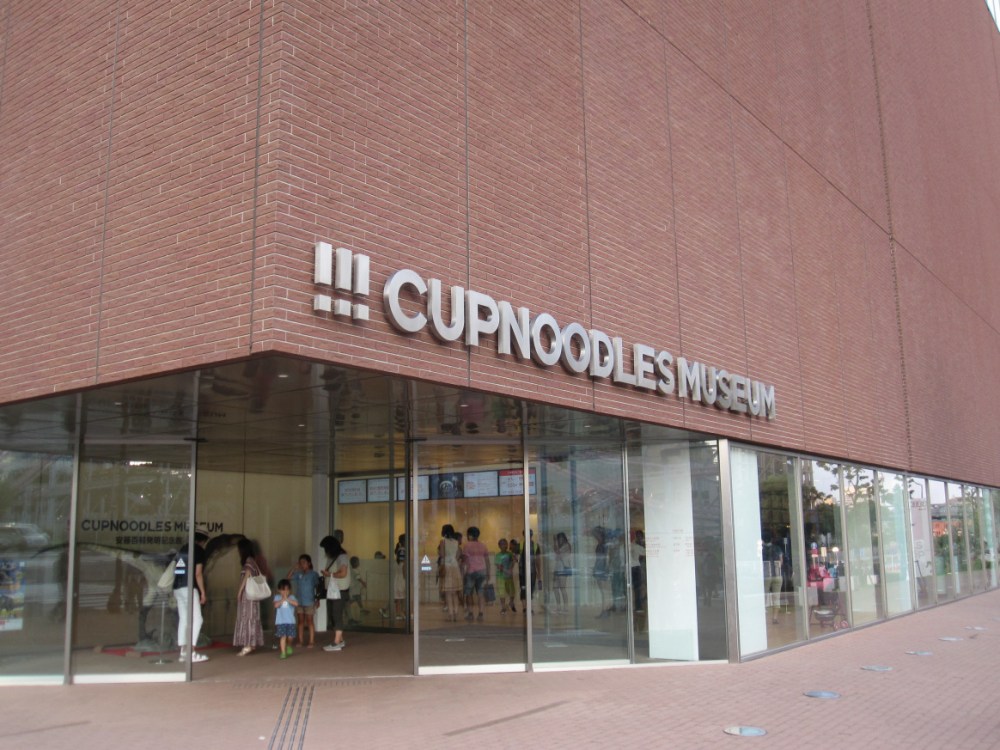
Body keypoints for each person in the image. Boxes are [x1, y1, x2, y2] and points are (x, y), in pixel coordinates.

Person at [173, 531, 209, 662]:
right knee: (197, 619)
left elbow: (177, 570)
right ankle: (191, 652)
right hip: (189, 588)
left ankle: (183, 651)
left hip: (177, 588)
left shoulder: (183, 549)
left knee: (184, 619)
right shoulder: (198, 550)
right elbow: (198, 573)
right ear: (203, 541)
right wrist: (203, 592)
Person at [234, 537, 265, 656]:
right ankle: (251, 643)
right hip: (252, 596)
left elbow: (247, 574)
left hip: (248, 596)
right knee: (252, 618)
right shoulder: (253, 561)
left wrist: (239, 591)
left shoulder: (249, 561)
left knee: (246, 617)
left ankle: (247, 645)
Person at [320, 535, 350, 651]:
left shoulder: (342, 557)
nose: (325, 551)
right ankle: (340, 640)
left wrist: (330, 575)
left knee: (336, 615)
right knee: (333, 615)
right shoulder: (333, 557)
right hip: (333, 591)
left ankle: (336, 642)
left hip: (339, 591)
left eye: (325, 548)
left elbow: (343, 573)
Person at [287, 554, 320, 648]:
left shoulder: (314, 574)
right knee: (300, 621)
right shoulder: (298, 573)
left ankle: (311, 641)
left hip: (309, 601)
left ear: (309, 563)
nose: (302, 564)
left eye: (304, 562)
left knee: (310, 621)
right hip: (299, 601)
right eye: (300, 563)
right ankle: (300, 640)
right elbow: (288, 578)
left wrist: (317, 599)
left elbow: (318, 587)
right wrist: (294, 568)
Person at [462, 526, 490, 621]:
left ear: (470, 535)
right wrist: (488, 573)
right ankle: (481, 613)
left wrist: (462, 573)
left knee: (469, 593)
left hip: (471, 572)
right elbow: (487, 561)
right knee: (480, 593)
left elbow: (465, 561)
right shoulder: (483, 545)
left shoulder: (467, 545)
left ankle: (470, 613)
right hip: (482, 571)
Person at [438, 524, 462, 621]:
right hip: (455, 567)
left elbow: (442, 555)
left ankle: (451, 614)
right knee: (455, 593)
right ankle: (456, 613)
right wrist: (453, 559)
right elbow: (458, 554)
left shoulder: (443, 542)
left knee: (448, 593)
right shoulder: (456, 542)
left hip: (447, 567)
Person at [762, 529, 784, 625]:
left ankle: (764, 615)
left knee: (764, 595)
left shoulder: (762, 549)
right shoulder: (777, 548)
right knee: (776, 597)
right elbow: (781, 561)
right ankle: (775, 618)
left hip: (766, 575)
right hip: (777, 575)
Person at [273, 579, 298, 659]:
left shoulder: (292, 597)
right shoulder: (277, 597)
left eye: (287, 590)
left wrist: (287, 599)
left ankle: (289, 645)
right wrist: (282, 599)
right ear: (279, 590)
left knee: (290, 637)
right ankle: (283, 652)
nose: (285, 592)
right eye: (283, 590)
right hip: (281, 621)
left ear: (289, 590)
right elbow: (276, 605)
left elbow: (296, 604)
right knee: (283, 636)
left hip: (291, 621)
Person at [591, 526, 611, 617]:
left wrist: (605, 568)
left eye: (596, 535)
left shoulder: (603, 545)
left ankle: (605, 610)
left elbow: (605, 558)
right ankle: (604, 610)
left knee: (604, 591)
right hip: (599, 567)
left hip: (601, 568)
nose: (595, 536)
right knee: (603, 591)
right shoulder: (602, 544)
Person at [552, 531, 572, 614]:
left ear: (564, 538)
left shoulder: (567, 545)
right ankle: (558, 606)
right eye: (558, 539)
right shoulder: (559, 546)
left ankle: (566, 607)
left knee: (562, 588)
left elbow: (558, 552)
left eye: (561, 538)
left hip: (563, 568)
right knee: (555, 588)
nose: (560, 540)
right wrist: (555, 542)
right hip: (557, 568)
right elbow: (556, 553)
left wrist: (555, 542)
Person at [494, 538, 514, 614]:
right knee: (502, 592)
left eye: (505, 544)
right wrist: (507, 571)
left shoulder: (510, 554)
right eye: (502, 544)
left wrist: (511, 569)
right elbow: (498, 566)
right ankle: (503, 608)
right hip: (500, 577)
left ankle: (511, 603)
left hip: (509, 577)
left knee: (512, 592)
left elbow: (513, 562)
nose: (504, 545)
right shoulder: (498, 555)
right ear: (499, 546)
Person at [347, 556, 368, 625]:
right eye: (358, 562)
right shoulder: (355, 571)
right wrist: (363, 583)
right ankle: (346, 607)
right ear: (355, 563)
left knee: (358, 598)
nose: (359, 563)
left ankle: (362, 609)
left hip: (355, 589)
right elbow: (358, 578)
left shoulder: (352, 570)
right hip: (354, 589)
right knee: (353, 599)